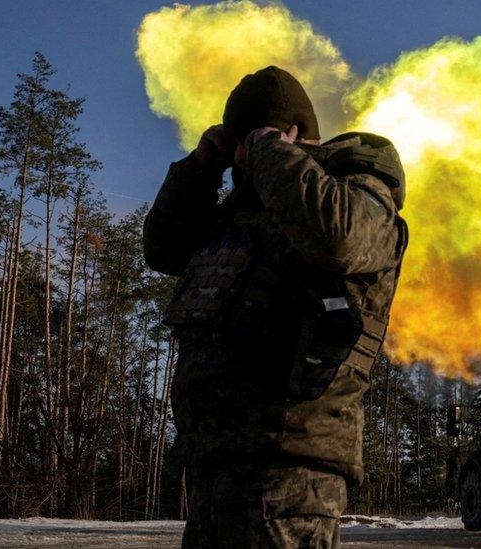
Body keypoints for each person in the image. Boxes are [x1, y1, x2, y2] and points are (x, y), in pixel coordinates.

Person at [143, 66, 408, 548]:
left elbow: (339, 239)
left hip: (291, 471)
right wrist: (201, 168)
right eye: (239, 144)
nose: (244, 156)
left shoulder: (356, 193)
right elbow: (163, 249)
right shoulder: (242, 214)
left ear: (293, 137)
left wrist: (272, 152)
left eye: (255, 140)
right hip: (214, 465)